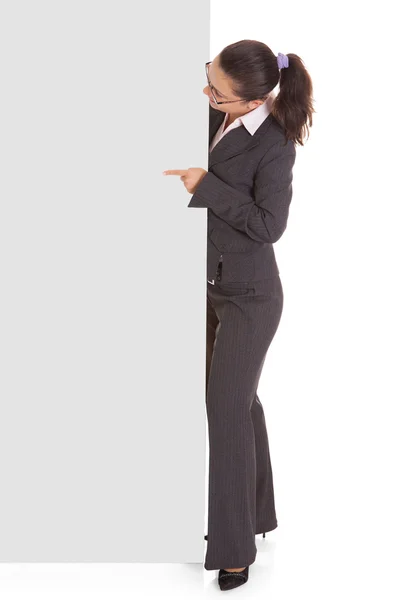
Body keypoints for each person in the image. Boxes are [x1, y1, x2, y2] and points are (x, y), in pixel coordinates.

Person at [164, 39, 315, 591]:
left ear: (250, 103)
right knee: (240, 400)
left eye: (218, 92)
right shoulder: (221, 111)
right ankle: (258, 514)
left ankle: (234, 550)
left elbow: (267, 226)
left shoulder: (274, 145)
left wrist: (207, 188)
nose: (207, 94)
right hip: (209, 284)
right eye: (208, 78)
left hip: (251, 295)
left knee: (223, 411)